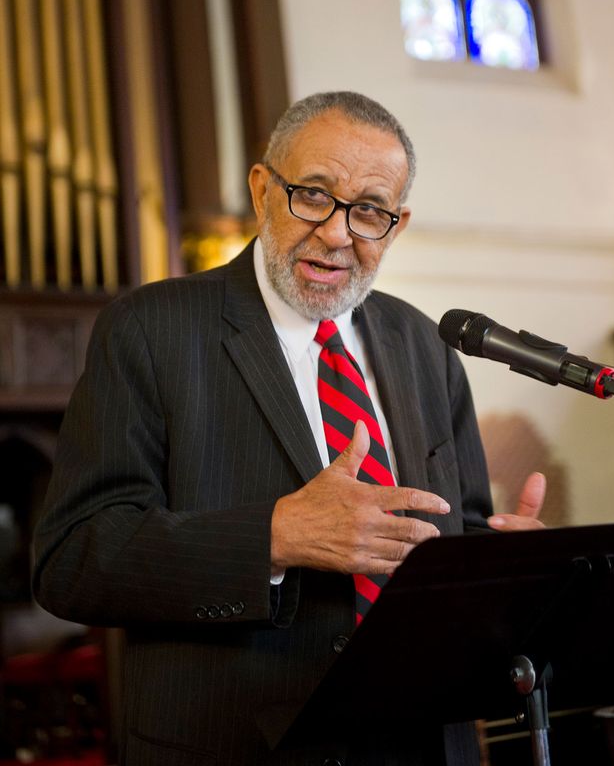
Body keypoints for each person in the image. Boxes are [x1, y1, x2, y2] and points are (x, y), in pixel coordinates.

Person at [33, 92, 545, 766]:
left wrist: (509, 568)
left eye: (367, 211)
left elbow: (456, 538)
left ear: (396, 224)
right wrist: (274, 538)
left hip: (422, 741)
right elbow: (72, 559)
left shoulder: (424, 344)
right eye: (312, 195)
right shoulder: (149, 331)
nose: (336, 233)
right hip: (233, 746)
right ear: (261, 189)